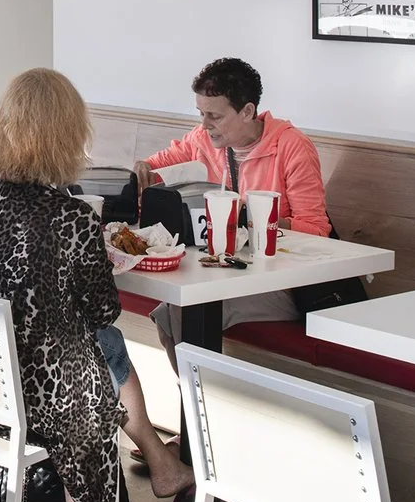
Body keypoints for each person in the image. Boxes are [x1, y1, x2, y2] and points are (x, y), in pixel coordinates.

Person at [0, 68, 188, 502]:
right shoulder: (70, 217)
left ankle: (148, 478)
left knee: (97, 347)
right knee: (102, 347)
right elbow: (101, 309)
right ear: (69, 137)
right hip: (38, 403)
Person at [134, 57, 334, 344]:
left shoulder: (292, 148)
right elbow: (155, 168)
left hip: (283, 284)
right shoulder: (200, 141)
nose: (204, 125)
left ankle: (192, 389)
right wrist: (144, 170)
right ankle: (190, 389)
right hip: (224, 273)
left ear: (247, 111)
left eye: (214, 116)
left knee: (184, 312)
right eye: (200, 114)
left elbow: (316, 230)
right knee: (174, 313)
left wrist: (251, 219)